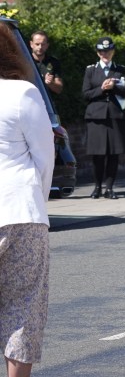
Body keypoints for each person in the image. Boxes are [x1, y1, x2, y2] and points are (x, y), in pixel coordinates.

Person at [0, 24, 55, 377]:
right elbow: (44, 158)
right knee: (23, 310)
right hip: (19, 209)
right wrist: (40, 202)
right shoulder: (22, 93)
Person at [81, 37, 125, 200]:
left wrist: (115, 87)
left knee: (113, 154)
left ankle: (109, 188)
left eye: (108, 51)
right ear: (97, 52)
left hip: (115, 116)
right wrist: (102, 89)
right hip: (96, 117)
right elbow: (85, 94)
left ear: (113, 51)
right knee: (98, 155)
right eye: (102, 51)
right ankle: (97, 187)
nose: (105, 54)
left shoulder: (120, 69)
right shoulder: (90, 70)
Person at [29, 31, 63, 95]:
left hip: (46, 101)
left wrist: (50, 83)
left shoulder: (53, 62)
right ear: (31, 44)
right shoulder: (25, 61)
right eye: (37, 44)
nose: (40, 47)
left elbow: (59, 89)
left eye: (43, 44)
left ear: (47, 45)